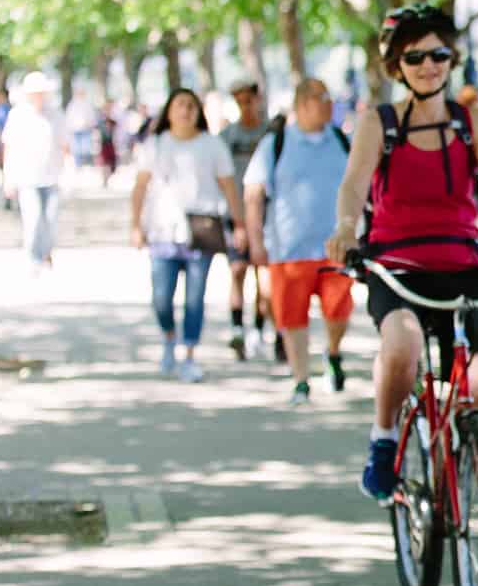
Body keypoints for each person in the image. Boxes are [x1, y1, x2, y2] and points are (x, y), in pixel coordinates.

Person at [323, 4, 478, 516]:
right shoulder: (377, 124)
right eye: (415, 57)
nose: (429, 65)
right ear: (396, 66)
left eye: (439, 54)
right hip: (395, 269)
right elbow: (352, 187)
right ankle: (384, 441)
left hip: (462, 267)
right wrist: (344, 230)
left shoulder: (471, 123)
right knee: (402, 346)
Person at [246, 79, 354, 405]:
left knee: (338, 311)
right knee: (292, 318)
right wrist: (255, 241)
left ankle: (332, 353)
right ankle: (301, 380)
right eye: (324, 98)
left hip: (336, 247)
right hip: (288, 249)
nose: (330, 104)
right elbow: (253, 193)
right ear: (304, 103)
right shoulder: (276, 143)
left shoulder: (340, 140)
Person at [131, 88, 244, 383]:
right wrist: (135, 225)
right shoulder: (154, 145)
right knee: (161, 299)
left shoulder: (212, 145)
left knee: (195, 299)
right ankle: (169, 337)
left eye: (192, 106)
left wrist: (239, 224)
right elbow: (140, 187)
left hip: (201, 231)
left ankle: (190, 353)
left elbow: (230, 187)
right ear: (169, 111)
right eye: (180, 105)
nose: (186, 111)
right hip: (162, 233)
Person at [0, 71, 72, 274]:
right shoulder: (18, 115)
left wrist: (69, 173)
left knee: (50, 219)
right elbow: (10, 149)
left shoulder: (56, 115)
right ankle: (33, 257)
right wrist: (8, 178)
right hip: (27, 178)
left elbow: (65, 146)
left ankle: (46, 253)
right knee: (32, 219)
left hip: (52, 176)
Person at [220, 79, 272, 361]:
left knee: (264, 278)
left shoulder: (270, 134)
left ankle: (260, 329)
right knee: (237, 270)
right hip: (237, 214)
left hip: (266, 215)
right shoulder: (227, 136)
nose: (245, 106)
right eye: (239, 101)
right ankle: (237, 327)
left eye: (248, 100)